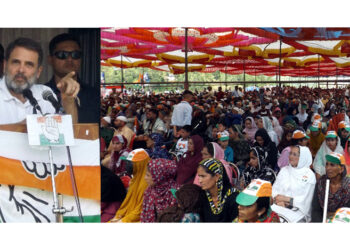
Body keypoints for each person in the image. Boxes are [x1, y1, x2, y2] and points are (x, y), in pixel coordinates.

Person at [0, 38, 61, 124]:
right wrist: (21, 129)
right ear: (5, 66)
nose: (21, 70)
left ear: (38, 72)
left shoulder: (45, 94)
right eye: (16, 62)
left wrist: (69, 102)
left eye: (29, 65)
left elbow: (68, 132)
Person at [45, 33, 99, 123]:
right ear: (50, 59)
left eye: (75, 54)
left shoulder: (95, 96)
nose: (70, 59)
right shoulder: (39, 94)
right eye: (62, 54)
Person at [272, 146, 316, 222]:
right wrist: (277, 200)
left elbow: (305, 201)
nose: (291, 156)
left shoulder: (309, 175)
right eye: (290, 153)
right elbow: (274, 189)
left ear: (302, 157)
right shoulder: (284, 170)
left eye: (295, 154)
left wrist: (286, 200)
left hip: (298, 211)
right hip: (278, 205)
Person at [110, 149, 150, 223]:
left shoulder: (147, 183)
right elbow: (128, 204)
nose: (127, 165)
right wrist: (119, 216)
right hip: (128, 215)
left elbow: (140, 210)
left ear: (139, 165)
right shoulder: (134, 179)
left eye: (130, 163)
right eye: (127, 162)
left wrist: (123, 220)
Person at [311, 152, 350, 222]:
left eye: (332, 165)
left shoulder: (348, 186)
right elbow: (316, 209)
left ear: (341, 169)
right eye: (327, 164)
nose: (328, 168)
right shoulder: (321, 183)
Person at [197, 158, 239, 222]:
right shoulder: (202, 196)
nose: (199, 181)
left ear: (216, 176)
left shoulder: (233, 198)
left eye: (203, 176)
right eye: (199, 176)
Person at [141, 158, 180, 222]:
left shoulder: (174, 193)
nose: (145, 178)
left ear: (159, 176)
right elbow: (144, 215)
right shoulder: (149, 191)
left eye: (148, 175)